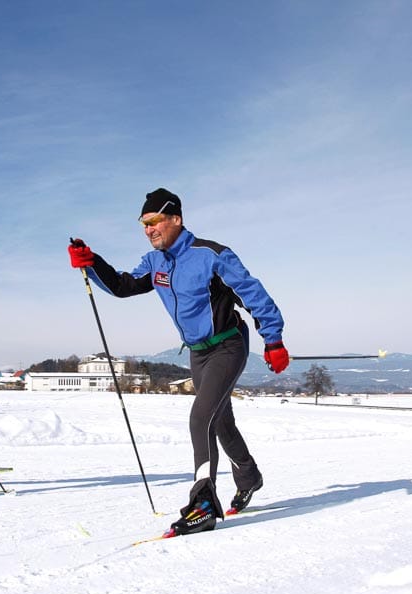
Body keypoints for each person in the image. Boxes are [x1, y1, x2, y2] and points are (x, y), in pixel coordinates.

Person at [68, 188, 289, 536]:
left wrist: (273, 339)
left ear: (175, 219)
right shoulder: (155, 262)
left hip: (228, 345)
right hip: (199, 353)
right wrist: (92, 262)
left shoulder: (212, 255)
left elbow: (253, 293)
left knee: (200, 417)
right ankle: (249, 476)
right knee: (218, 421)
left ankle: (202, 503)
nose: (149, 229)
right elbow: (125, 286)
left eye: (154, 221)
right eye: (143, 224)